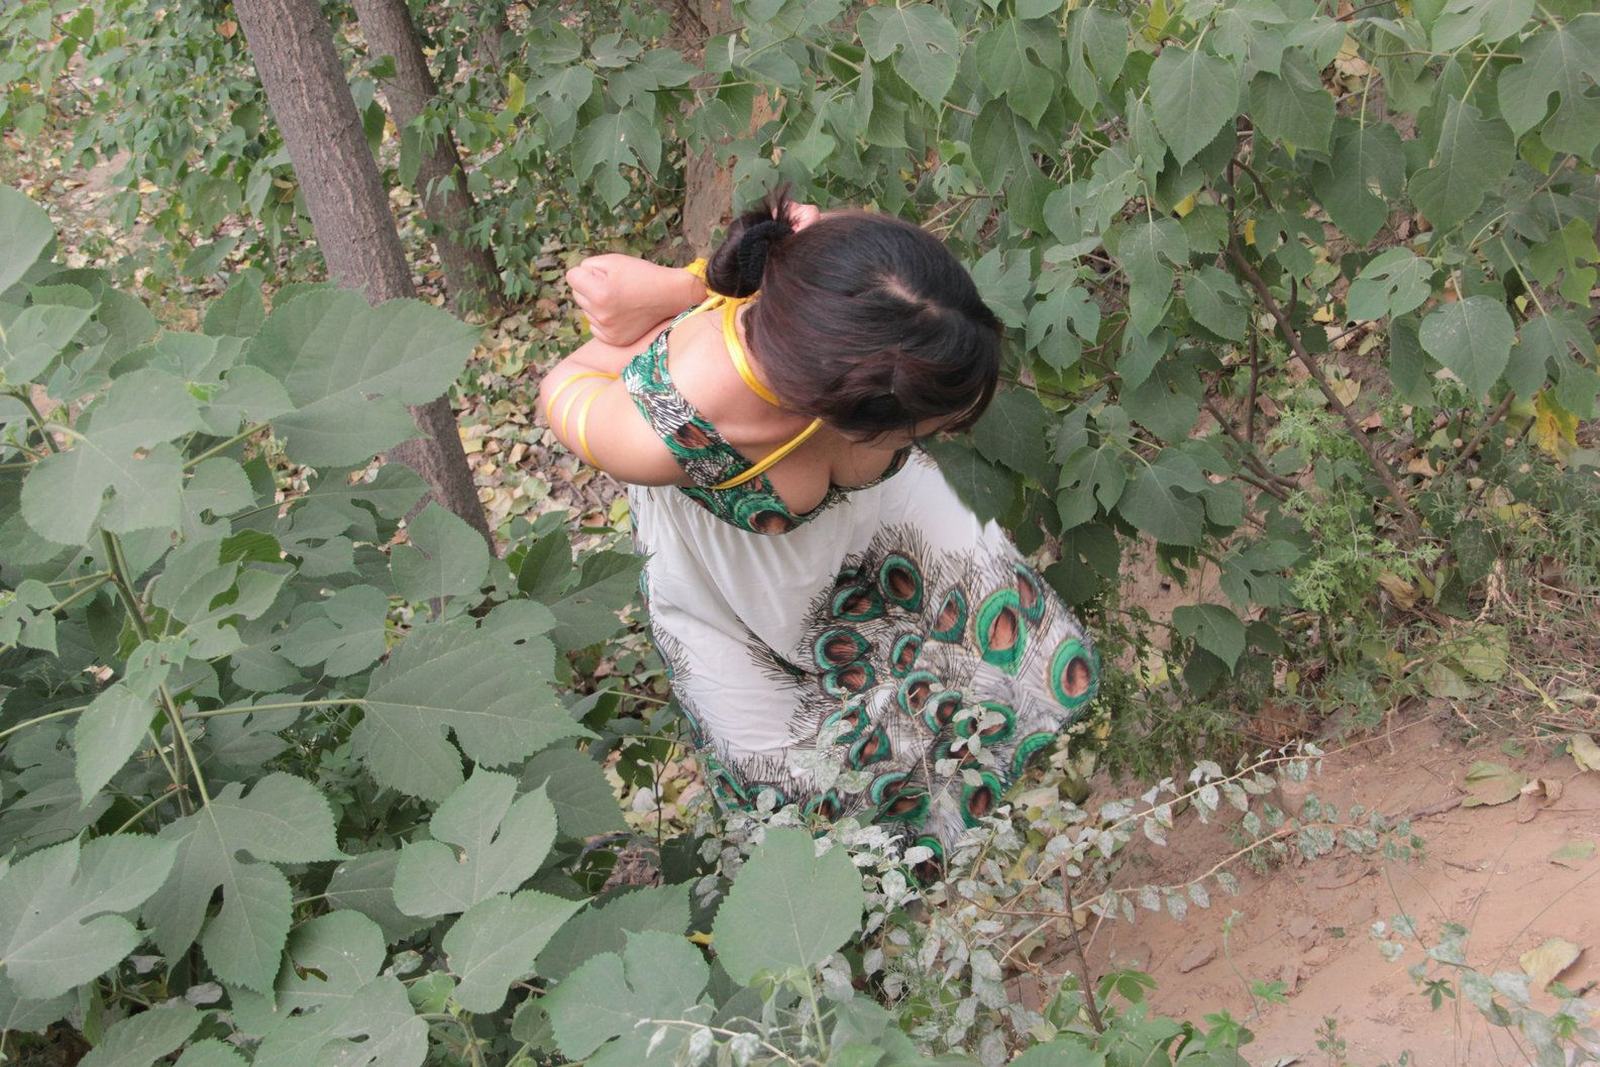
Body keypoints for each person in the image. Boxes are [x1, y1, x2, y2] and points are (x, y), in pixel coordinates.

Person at [538, 190, 1100, 864]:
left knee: (1008, 649)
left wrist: (689, 282)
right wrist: (671, 314)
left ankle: (972, 817)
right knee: (809, 804)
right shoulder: (666, 425)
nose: (942, 437)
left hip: (869, 535)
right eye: (921, 431)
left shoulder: (859, 272)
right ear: (849, 410)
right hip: (741, 594)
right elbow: (566, 381)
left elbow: (790, 229)